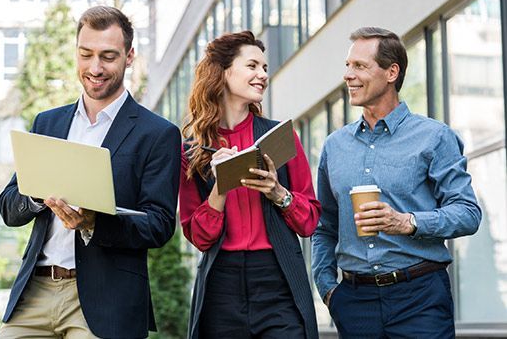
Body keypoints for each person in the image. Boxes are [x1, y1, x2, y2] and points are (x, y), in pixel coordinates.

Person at [0, 6, 181, 339]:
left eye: (108, 57)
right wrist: (39, 193)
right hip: (35, 293)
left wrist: (95, 222)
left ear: (129, 57)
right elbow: (9, 208)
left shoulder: (158, 134)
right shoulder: (47, 123)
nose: (95, 68)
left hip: (104, 301)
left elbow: (160, 224)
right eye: (86, 55)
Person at [312, 26, 482, 338]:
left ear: (392, 72)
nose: (348, 75)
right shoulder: (335, 146)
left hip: (421, 299)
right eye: (347, 66)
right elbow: (324, 225)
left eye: (360, 66)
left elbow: (468, 213)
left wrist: (408, 222)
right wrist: (328, 289)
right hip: (354, 303)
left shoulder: (434, 137)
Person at [179, 30, 321, 339]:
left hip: (277, 279)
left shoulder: (280, 137)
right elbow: (198, 236)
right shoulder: (193, 149)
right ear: (225, 72)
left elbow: (309, 220)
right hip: (222, 287)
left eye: (265, 68)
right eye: (253, 66)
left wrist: (277, 192)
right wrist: (221, 185)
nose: (262, 75)